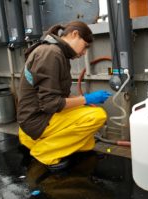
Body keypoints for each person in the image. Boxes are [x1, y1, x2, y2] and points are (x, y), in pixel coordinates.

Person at [17, 21, 112, 170]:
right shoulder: (51, 54)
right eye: (85, 46)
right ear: (75, 35)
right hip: (37, 119)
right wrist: (86, 99)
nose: (84, 52)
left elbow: (60, 96)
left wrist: (84, 101)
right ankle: (44, 152)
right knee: (97, 116)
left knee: (88, 133)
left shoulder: (56, 52)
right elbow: (51, 104)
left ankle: (52, 143)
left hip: (36, 114)